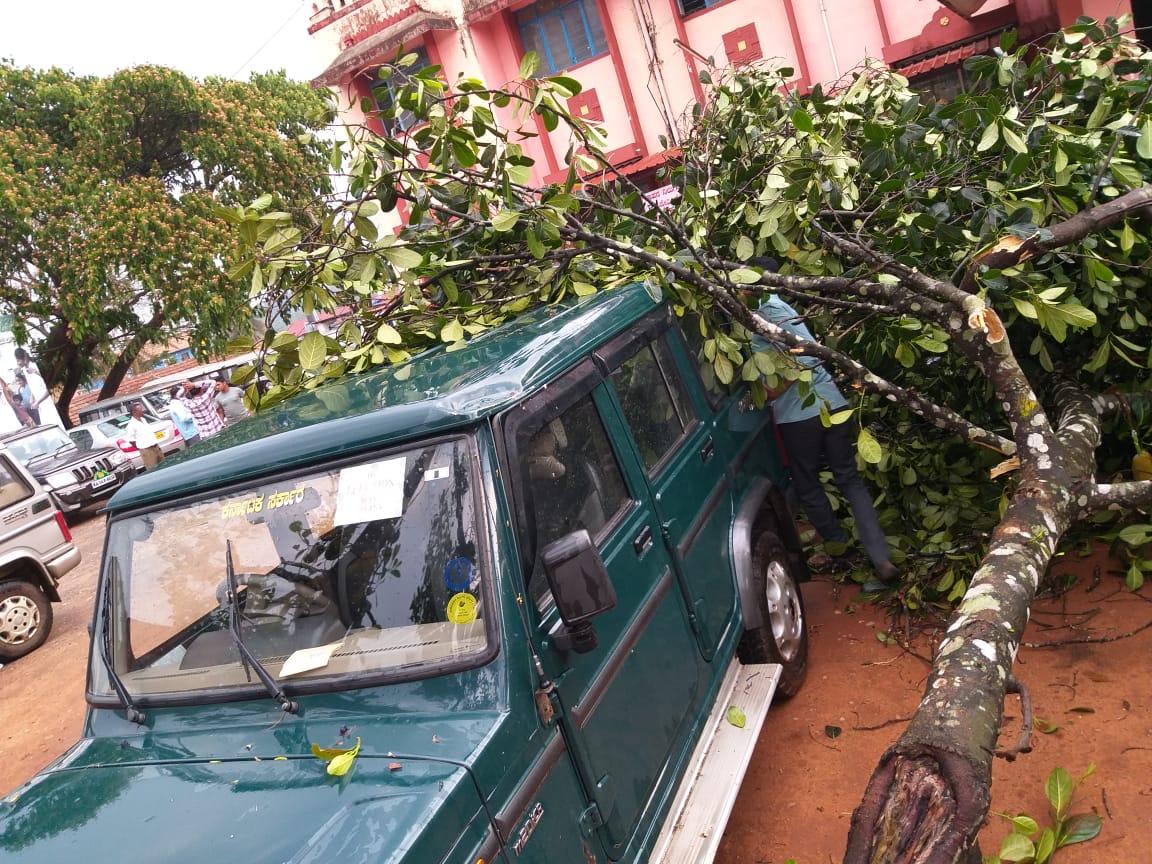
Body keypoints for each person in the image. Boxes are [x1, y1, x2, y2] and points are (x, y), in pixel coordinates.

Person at [751, 262, 900, 587]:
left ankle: (839, 546)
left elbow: (805, 357)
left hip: (802, 414)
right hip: (834, 405)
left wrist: (770, 392)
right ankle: (880, 558)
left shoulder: (768, 311)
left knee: (807, 483)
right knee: (849, 479)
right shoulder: (779, 305)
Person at [14, 348, 64, 430]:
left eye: (19, 360)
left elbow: (49, 388)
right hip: (40, 406)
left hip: (47, 403)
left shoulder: (34, 366)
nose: (18, 363)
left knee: (55, 426)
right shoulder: (25, 370)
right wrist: (32, 397)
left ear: (24, 358)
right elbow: (35, 387)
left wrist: (37, 402)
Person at [124, 403, 165, 469]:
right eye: (140, 409)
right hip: (147, 450)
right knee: (153, 469)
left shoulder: (143, 419)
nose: (143, 410)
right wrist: (142, 447)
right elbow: (131, 440)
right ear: (134, 412)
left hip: (156, 447)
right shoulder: (131, 425)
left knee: (164, 465)